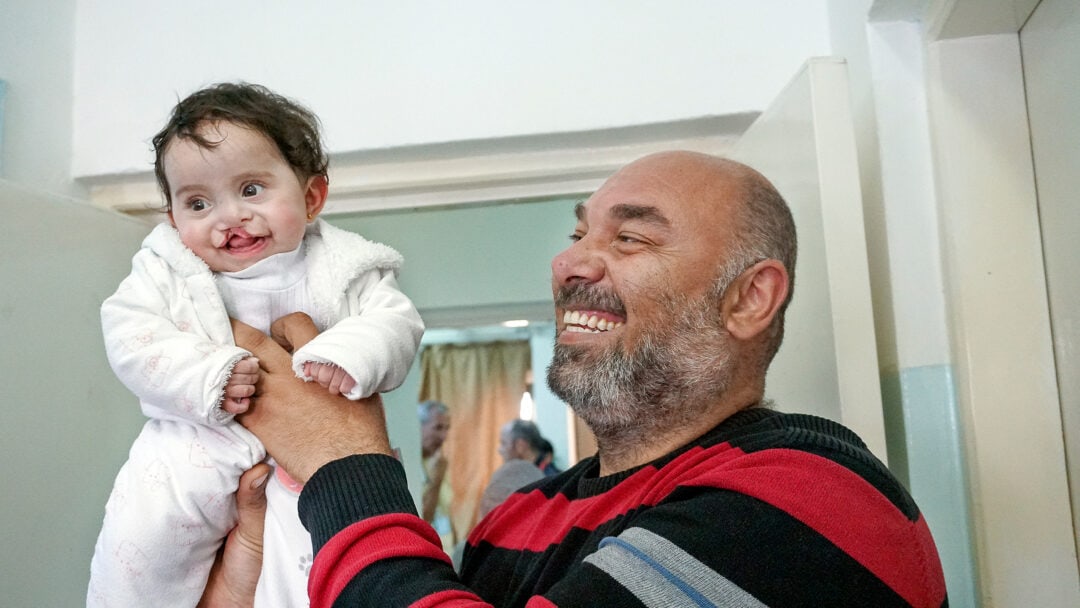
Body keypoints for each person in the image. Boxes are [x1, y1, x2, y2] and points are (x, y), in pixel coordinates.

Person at [209, 151, 948, 606]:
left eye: (629, 237)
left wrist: (346, 465)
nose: (568, 264)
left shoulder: (814, 497)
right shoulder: (516, 519)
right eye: (576, 234)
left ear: (749, 298)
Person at [88, 82, 425, 607]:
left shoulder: (344, 264)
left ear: (311, 196)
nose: (228, 216)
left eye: (250, 190)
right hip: (194, 442)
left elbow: (396, 324)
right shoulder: (166, 267)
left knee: (312, 566)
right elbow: (132, 334)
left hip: (311, 454)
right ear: (174, 220)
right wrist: (206, 377)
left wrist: (348, 355)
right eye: (198, 202)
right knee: (141, 542)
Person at [417, 400, 456, 548]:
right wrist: (436, 479)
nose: (444, 436)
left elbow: (446, 509)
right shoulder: (410, 464)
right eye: (438, 428)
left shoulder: (437, 460)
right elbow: (423, 518)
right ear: (419, 426)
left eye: (447, 428)